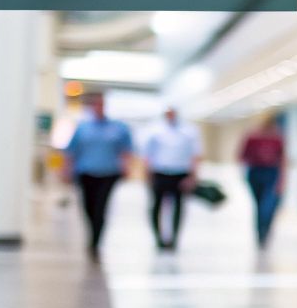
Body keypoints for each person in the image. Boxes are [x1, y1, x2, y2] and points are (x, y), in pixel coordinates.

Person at [61, 93, 133, 262]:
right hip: (86, 172)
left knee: (101, 207)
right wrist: (66, 170)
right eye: (96, 105)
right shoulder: (83, 127)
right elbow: (71, 151)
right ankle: (92, 232)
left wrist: (126, 166)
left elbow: (126, 150)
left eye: (102, 104)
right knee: (88, 207)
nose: (99, 108)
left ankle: (96, 241)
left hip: (108, 173)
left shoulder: (118, 127)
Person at [142, 107, 200, 251]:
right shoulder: (154, 131)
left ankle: (174, 238)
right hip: (159, 172)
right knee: (156, 206)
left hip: (180, 173)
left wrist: (193, 176)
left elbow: (195, 155)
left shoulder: (189, 131)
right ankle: (158, 238)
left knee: (178, 207)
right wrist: (147, 175)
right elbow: (147, 155)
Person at [238, 113, 287, 248]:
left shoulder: (278, 138)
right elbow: (242, 155)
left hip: (271, 173)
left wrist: (282, 179)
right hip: (255, 172)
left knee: (268, 205)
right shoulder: (252, 136)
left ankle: (266, 231)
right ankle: (260, 234)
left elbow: (283, 159)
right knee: (258, 206)